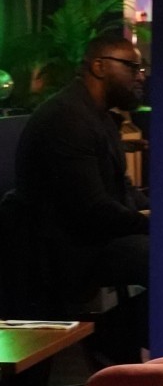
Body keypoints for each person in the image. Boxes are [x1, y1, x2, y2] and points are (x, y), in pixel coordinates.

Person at [13, 31, 150, 364]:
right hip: (69, 250)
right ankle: (110, 336)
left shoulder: (98, 116)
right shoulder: (67, 119)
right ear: (100, 66)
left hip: (94, 240)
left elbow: (120, 192)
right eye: (131, 66)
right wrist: (149, 223)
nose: (140, 75)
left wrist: (151, 213)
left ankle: (118, 342)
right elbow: (92, 211)